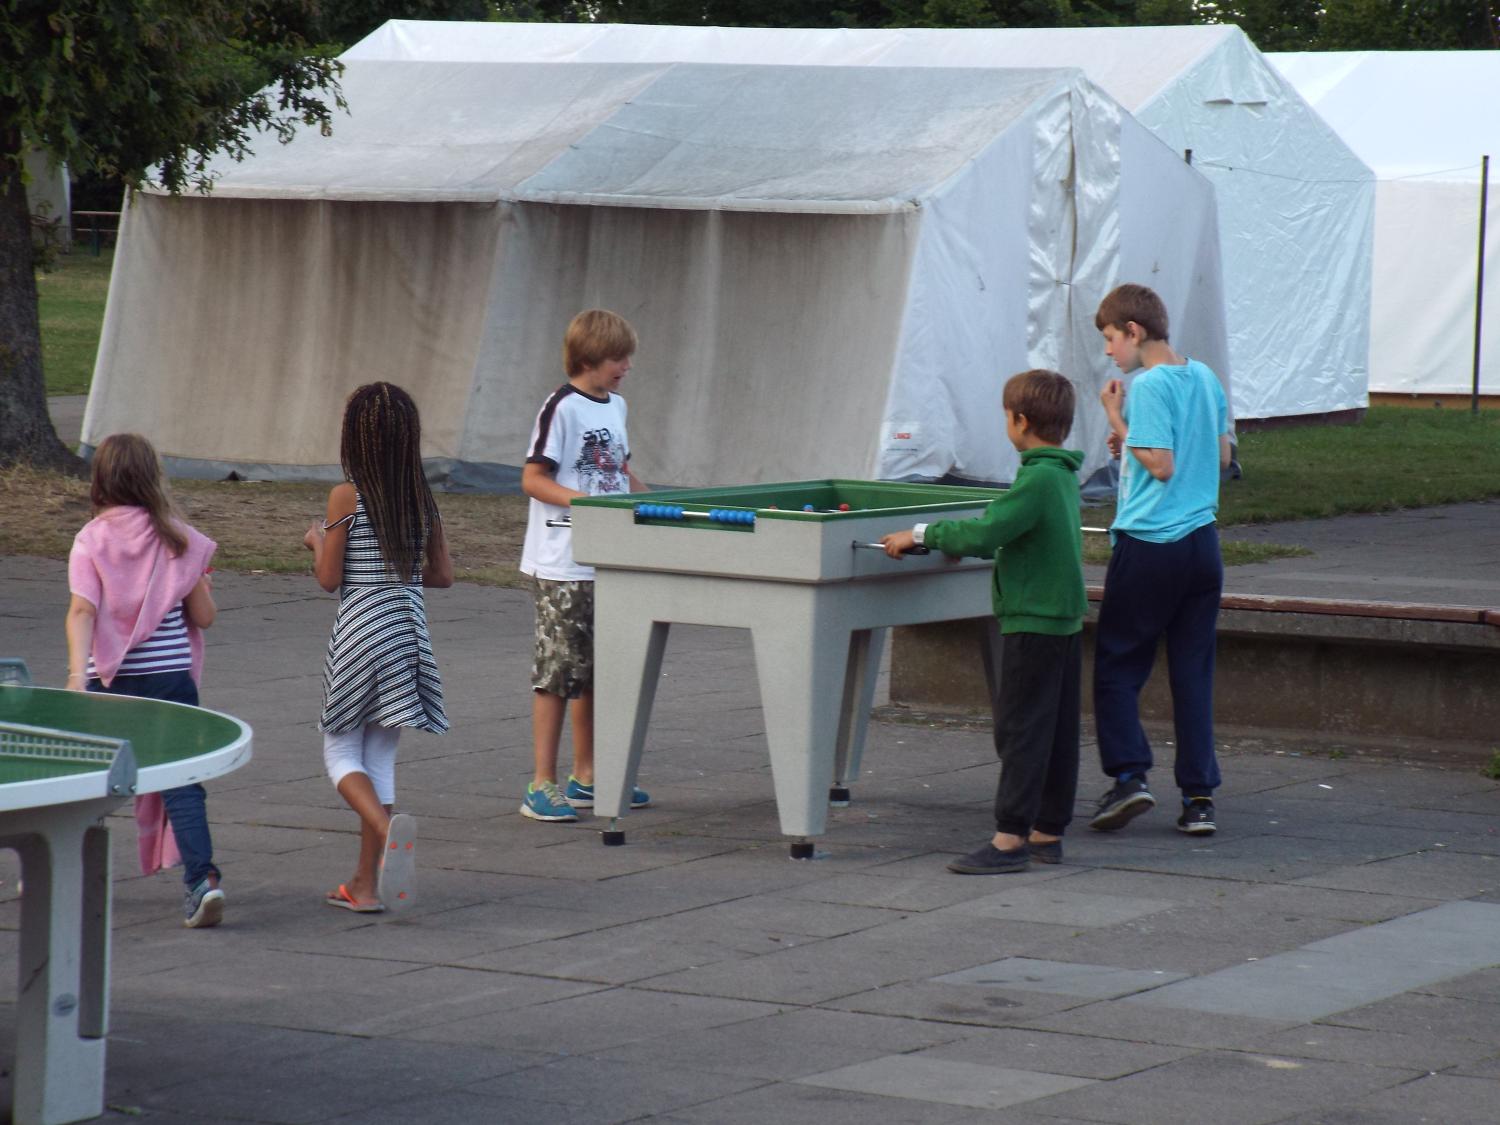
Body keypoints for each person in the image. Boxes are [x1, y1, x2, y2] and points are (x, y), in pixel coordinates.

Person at [881, 370, 1085, 874]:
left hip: (1033, 620)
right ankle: (1047, 830)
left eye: (1006, 416)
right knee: (1056, 730)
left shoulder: (1037, 478)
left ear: (1021, 421)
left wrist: (923, 534)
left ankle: (1010, 839)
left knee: (1021, 730)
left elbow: (988, 531)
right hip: (1061, 619)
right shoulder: (1061, 474)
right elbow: (1021, 534)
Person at [1089, 283, 1231, 837]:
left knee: (1117, 665)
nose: (1108, 351)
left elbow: (1162, 466)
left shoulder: (1148, 384)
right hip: (1202, 544)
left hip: (1150, 542)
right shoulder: (1205, 376)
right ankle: (1199, 799)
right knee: (1193, 672)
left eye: (1110, 338)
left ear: (1134, 331)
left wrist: (1117, 420)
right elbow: (1221, 456)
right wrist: (1134, 445)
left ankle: (1129, 777)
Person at [66, 433, 225, 927]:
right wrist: (201, 583)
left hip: (109, 682)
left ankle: (59, 868)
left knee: (87, 781)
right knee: (181, 781)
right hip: (170, 680)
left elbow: (82, 610)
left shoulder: (91, 539)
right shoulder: (178, 538)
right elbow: (204, 617)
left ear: (101, 479)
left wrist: (76, 676)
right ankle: (201, 883)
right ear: (153, 478)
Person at [304, 383, 452, 912]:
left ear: (356, 438)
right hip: (408, 630)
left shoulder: (347, 496)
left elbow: (329, 578)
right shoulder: (422, 498)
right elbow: (443, 575)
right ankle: (364, 886)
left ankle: (388, 834)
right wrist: (399, 575)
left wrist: (317, 541)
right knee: (380, 757)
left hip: (363, 629)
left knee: (340, 751)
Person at [518, 309, 651, 822]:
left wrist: (659, 504)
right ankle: (541, 783)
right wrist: (587, 505)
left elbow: (621, 471)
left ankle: (588, 776)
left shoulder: (617, 405)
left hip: (608, 560)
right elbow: (533, 479)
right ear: (591, 358)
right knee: (558, 673)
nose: (627, 367)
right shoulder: (561, 407)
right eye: (620, 358)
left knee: (598, 670)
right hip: (563, 563)